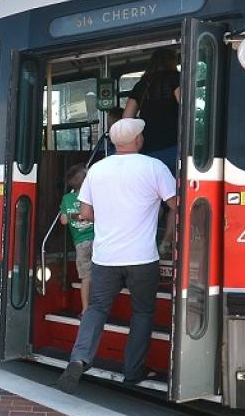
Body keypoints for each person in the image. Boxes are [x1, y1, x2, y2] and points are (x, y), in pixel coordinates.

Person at [57, 118, 177, 393]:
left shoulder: (96, 170)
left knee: (97, 309)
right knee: (142, 312)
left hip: (105, 258)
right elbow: (175, 204)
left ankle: (79, 358)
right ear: (138, 140)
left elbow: (85, 213)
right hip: (142, 259)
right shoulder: (154, 167)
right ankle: (133, 371)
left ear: (113, 143)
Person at [123, 48, 181, 172]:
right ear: (171, 62)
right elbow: (186, 105)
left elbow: (126, 117)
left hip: (147, 146)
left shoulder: (141, 84)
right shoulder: (175, 78)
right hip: (172, 143)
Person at [56, 164, 94, 311]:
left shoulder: (67, 198)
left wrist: (76, 216)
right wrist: (85, 215)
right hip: (97, 239)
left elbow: (64, 220)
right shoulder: (92, 196)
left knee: (86, 277)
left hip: (80, 243)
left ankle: (85, 309)